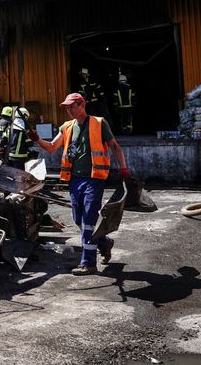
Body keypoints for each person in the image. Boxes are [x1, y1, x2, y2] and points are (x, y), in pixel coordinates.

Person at [28, 92, 131, 276]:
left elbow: (115, 146)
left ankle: (88, 263)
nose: (68, 110)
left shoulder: (99, 124)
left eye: (71, 106)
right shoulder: (67, 127)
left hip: (95, 179)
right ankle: (104, 243)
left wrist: (123, 168)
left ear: (82, 105)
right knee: (78, 219)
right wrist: (36, 140)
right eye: (67, 107)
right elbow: (52, 147)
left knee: (89, 220)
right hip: (75, 180)